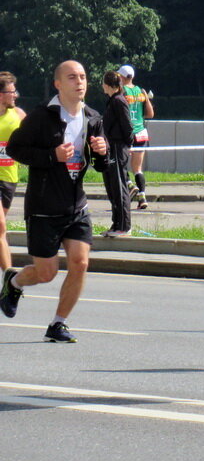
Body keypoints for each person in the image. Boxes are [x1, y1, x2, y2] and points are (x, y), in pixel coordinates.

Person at [0, 60, 108, 343]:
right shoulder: (41, 117)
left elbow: (101, 164)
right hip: (44, 208)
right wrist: (52, 156)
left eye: (83, 76)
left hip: (76, 206)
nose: (80, 82)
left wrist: (102, 151)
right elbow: (15, 148)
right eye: (72, 77)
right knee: (46, 273)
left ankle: (58, 323)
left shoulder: (93, 117)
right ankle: (14, 282)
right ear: (58, 84)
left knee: (80, 263)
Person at [101, 70, 134, 237]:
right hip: (110, 148)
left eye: (103, 83)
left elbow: (128, 127)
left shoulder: (119, 101)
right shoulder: (111, 101)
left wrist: (125, 145)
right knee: (112, 188)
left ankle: (124, 226)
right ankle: (116, 224)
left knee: (120, 188)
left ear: (107, 85)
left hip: (117, 148)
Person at [0, 72, 27, 271]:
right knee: (0, 227)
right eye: (11, 92)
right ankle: (9, 277)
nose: (15, 95)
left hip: (10, 178)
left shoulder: (18, 115)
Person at [119, 64, 153, 209]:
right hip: (141, 133)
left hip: (127, 133)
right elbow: (150, 114)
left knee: (118, 163)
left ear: (122, 77)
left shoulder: (121, 91)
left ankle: (130, 185)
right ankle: (142, 198)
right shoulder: (141, 91)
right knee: (137, 168)